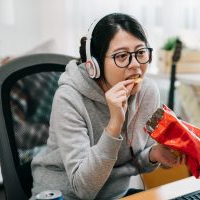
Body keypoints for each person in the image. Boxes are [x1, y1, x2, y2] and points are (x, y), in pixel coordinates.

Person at [30, 13, 183, 200]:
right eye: (122, 56)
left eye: (141, 52)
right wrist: (114, 125)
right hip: (62, 195)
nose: (135, 65)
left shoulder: (147, 92)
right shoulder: (69, 98)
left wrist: (154, 154)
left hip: (116, 195)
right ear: (95, 65)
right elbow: (83, 188)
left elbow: (135, 161)